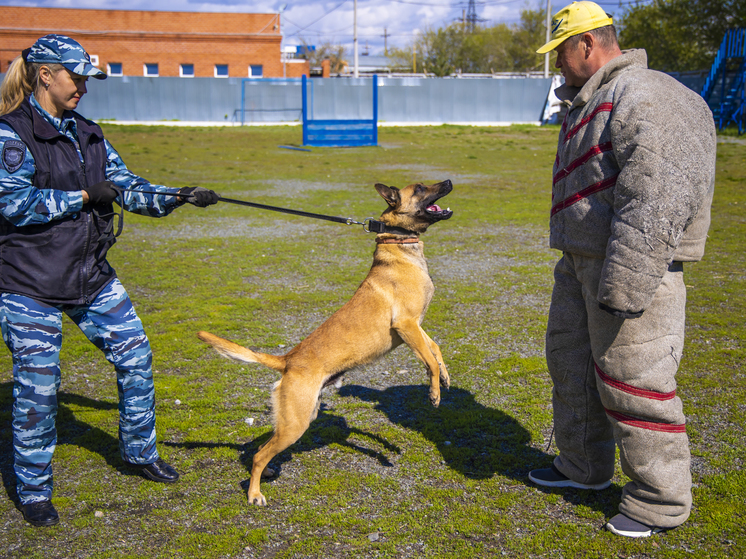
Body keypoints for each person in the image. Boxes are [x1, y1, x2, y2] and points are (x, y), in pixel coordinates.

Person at [0, 34, 220, 527]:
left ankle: (139, 453)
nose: (83, 87)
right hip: (28, 283)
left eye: (86, 79)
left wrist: (177, 195)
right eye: (76, 77)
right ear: (45, 75)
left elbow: (127, 188)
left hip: (90, 275)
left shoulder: (90, 132)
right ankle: (34, 490)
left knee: (136, 357)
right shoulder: (11, 134)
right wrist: (81, 196)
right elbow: (12, 204)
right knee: (38, 387)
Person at [529, 2, 716, 538]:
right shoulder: (597, 96)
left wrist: (627, 281)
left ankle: (660, 502)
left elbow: (657, 197)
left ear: (586, 43)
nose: (557, 67)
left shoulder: (648, 94)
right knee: (572, 368)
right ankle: (583, 469)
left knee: (636, 383)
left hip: (634, 268)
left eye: (560, 53)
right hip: (582, 263)